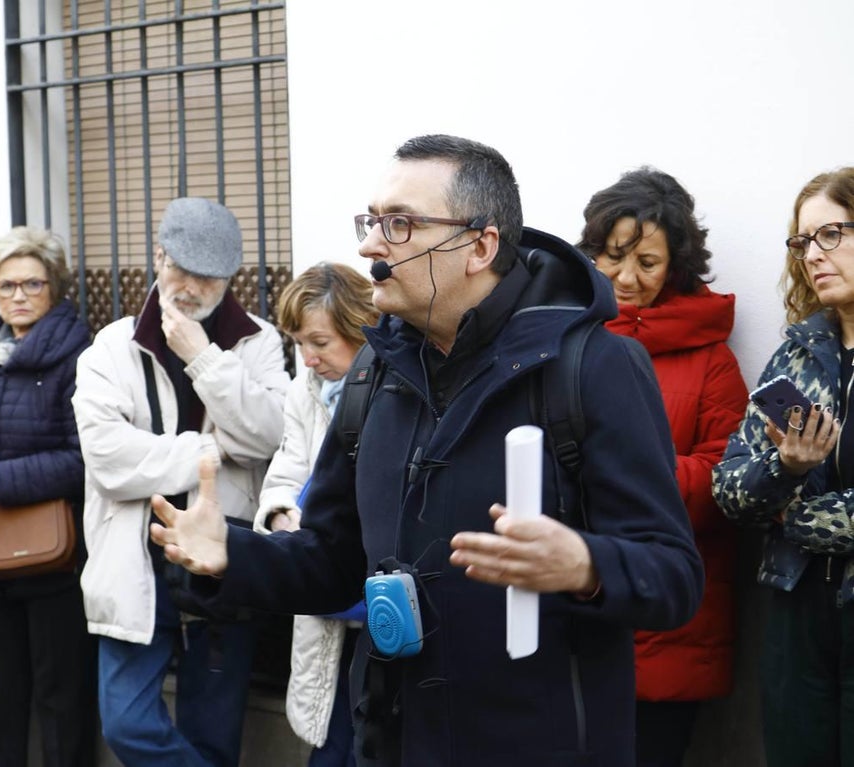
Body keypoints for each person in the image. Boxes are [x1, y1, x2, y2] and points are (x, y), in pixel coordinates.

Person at [149, 135, 704, 767]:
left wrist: (586, 564)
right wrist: (233, 552)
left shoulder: (595, 367)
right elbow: (334, 560)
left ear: (479, 245)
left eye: (400, 225)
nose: (369, 245)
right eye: (372, 221)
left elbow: (674, 576)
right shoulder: (370, 377)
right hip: (393, 740)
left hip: (543, 745)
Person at [73, 197, 289, 767]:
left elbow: (271, 436)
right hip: (135, 559)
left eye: (208, 277)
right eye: (181, 269)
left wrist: (203, 358)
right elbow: (108, 458)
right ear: (159, 256)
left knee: (214, 738)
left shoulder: (257, 341)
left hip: (221, 556)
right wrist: (211, 451)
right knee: (127, 725)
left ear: (230, 279)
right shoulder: (110, 347)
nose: (190, 287)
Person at [577, 169, 749, 767]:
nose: (627, 277)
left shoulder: (711, 361)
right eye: (614, 256)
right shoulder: (562, 338)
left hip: (669, 619)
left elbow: (727, 475)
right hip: (573, 602)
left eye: (647, 262)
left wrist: (616, 482)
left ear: (675, 267)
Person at [713, 167, 854, 767]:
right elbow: (730, 490)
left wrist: (796, 516)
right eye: (802, 243)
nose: (812, 256)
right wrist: (786, 470)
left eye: (831, 235)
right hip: (794, 605)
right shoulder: (798, 353)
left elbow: (782, 517)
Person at [0, 226, 95, 767]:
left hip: (55, 562)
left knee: (62, 705)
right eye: (6, 286)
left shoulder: (79, 355)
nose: (19, 296)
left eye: (32, 283)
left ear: (55, 287)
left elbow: (83, 461)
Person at [253, 263, 378, 766]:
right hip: (328, 601)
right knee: (329, 746)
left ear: (359, 326)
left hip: (383, 605)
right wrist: (285, 520)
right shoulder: (303, 391)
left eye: (320, 343)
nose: (308, 358)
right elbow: (284, 473)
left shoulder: (400, 384)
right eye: (298, 343)